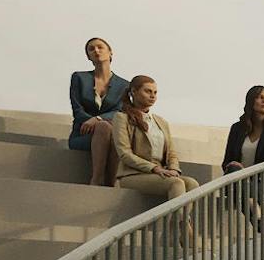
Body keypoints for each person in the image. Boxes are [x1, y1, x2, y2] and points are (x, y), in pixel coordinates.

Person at [110, 76, 200, 217]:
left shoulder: (161, 121)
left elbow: (171, 152)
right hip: (133, 174)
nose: (152, 96)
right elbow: (125, 154)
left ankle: (177, 225)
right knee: (176, 184)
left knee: (192, 184)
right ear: (134, 92)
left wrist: (173, 168)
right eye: (148, 91)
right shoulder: (122, 118)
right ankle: (180, 226)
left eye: (155, 92)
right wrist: (154, 168)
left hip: (160, 172)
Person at [222, 85, 264, 235]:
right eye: (260, 97)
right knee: (233, 170)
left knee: (241, 190)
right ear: (251, 101)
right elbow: (227, 161)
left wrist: (250, 173)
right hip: (237, 181)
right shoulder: (237, 129)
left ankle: (258, 217)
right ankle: (260, 220)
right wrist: (237, 168)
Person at [67, 37, 129, 187]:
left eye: (100, 47)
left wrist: (98, 119)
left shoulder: (125, 85)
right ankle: (98, 178)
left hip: (111, 134)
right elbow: (77, 109)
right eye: (91, 49)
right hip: (83, 134)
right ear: (88, 57)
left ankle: (109, 181)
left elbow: (120, 111)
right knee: (105, 127)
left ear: (110, 52)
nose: (96, 50)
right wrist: (92, 122)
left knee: (108, 128)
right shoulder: (79, 78)